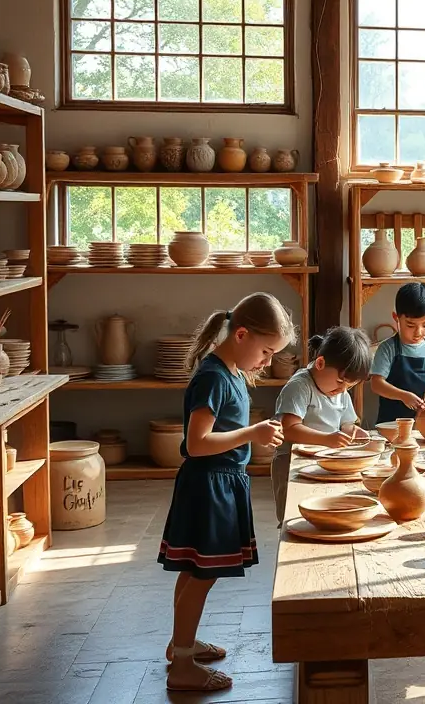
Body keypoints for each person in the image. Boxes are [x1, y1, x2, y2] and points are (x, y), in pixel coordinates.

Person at [158, 293, 293, 693]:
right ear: (241, 334)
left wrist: (251, 436)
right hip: (208, 485)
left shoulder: (231, 370)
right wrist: (252, 433)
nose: (268, 361)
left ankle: (180, 644)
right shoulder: (214, 376)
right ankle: (183, 664)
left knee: (195, 573)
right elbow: (197, 442)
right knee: (201, 576)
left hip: (221, 481)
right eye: (267, 351)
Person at [271, 327, 372, 524]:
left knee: (321, 512)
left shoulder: (340, 391)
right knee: (292, 516)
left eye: (349, 387)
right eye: (340, 382)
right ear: (320, 363)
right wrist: (327, 439)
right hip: (291, 462)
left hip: (323, 460)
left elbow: (346, 424)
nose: (342, 390)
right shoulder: (299, 386)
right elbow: (289, 429)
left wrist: (355, 432)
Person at [370, 282, 425, 423]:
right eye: (410, 325)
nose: (418, 332)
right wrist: (403, 395)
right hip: (391, 424)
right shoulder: (388, 348)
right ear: (396, 318)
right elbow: (376, 383)